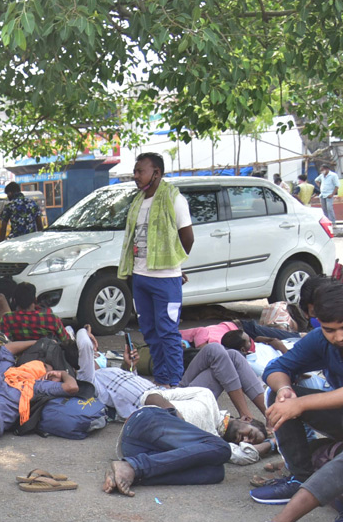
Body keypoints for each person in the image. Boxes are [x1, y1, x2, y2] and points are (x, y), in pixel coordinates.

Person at [249, 281, 343, 509]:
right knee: (280, 398)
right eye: (330, 329)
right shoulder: (321, 339)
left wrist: (301, 403)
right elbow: (276, 368)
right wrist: (285, 391)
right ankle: (301, 478)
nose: (338, 337)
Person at [118, 153, 195, 387]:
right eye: (135, 171)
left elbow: (187, 238)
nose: (135, 176)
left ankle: (176, 382)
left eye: (140, 171)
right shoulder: (138, 201)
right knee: (150, 332)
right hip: (141, 278)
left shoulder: (174, 199)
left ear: (157, 173)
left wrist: (174, 266)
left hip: (165, 280)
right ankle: (162, 381)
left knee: (168, 332)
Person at [102, 389, 270, 496]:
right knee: (222, 449)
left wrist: (276, 443)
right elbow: (149, 395)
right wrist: (173, 412)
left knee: (216, 473)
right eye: (251, 434)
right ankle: (134, 467)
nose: (246, 440)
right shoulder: (206, 396)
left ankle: (130, 472)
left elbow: (245, 455)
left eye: (250, 442)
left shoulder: (212, 443)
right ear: (247, 420)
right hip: (149, 422)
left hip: (135, 450)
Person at [0, 282, 68, 341]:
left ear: (14, 301)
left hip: (19, 354)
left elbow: (6, 341)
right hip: (47, 354)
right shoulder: (52, 319)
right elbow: (66, 339)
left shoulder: (7, 318)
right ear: (35, 299)